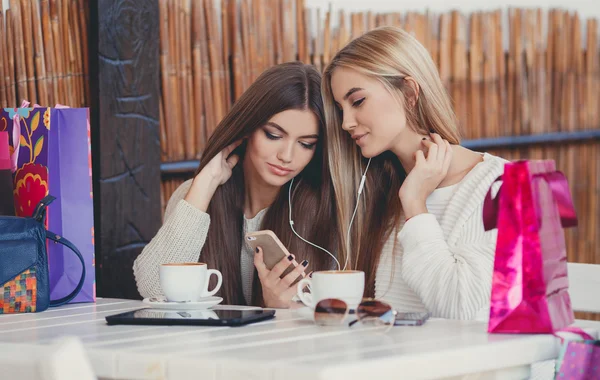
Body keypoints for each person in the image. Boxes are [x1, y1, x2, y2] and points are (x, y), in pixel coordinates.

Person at [322, 26, 507, 320]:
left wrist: (415, 204)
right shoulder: (378, 189)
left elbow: (461, 307)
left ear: (409, 92)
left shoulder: (499, 183)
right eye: (340, 108)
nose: (346, 123)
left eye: (357, 101)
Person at [134, 62, 339, 308]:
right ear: (247, 128)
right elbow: (153, 288)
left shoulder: (324, 208)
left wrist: (279, 309)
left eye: (306, 144)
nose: (287, 155)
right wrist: (206, 182)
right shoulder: (197, 195)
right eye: (273, 135)